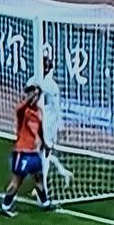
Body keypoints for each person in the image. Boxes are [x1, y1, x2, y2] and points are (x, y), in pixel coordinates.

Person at [0, 81, 54, 218]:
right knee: (17, 181)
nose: (36, 98)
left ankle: (45, 203)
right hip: (22, 152)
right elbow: (20, 107)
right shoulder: (22, 111)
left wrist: (45, 144)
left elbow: (39, 130)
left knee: (38, 178)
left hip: (34, 153)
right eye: (34, 95)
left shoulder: (39, 112)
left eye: (38, 95)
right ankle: (5, 206)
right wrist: (31, 95)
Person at [35, 52, 73, 183]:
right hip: (37, 121)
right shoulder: (35, 81)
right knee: (38, 151)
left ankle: (43, 184)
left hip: (49, 123)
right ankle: (62, 171)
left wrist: (60, 125)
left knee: (45, 151)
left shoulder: (51, 86)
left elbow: (57, 107)